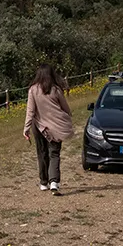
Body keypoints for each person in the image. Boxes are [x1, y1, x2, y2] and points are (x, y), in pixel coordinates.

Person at [23, 63, 74, 195]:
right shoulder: (56, 89)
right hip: (55, 126)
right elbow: (65, 107)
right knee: (54, 153)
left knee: (42, 153)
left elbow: (30, 111)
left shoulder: (33, 90)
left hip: (39, 126)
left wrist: (26, 128)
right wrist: (68, 116)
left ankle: (43, 182)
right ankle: (54, 182)